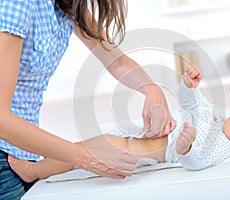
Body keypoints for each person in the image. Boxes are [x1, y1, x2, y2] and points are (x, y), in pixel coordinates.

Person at [0, 0, 176, 198]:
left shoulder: (66, 6)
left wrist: (151, 89)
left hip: (23, 154)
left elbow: (116, 61)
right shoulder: (17, 4)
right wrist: (86, 157)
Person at [8, 65, 230, 183]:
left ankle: (33, 171)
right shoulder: (216, 115)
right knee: (87, 144)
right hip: (140, 137)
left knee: (86, 151)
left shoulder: (224, 149)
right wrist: (188, 86)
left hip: (142, 153)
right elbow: (190, 104)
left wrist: (186, 146)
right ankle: (46, 160)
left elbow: (195, 161)